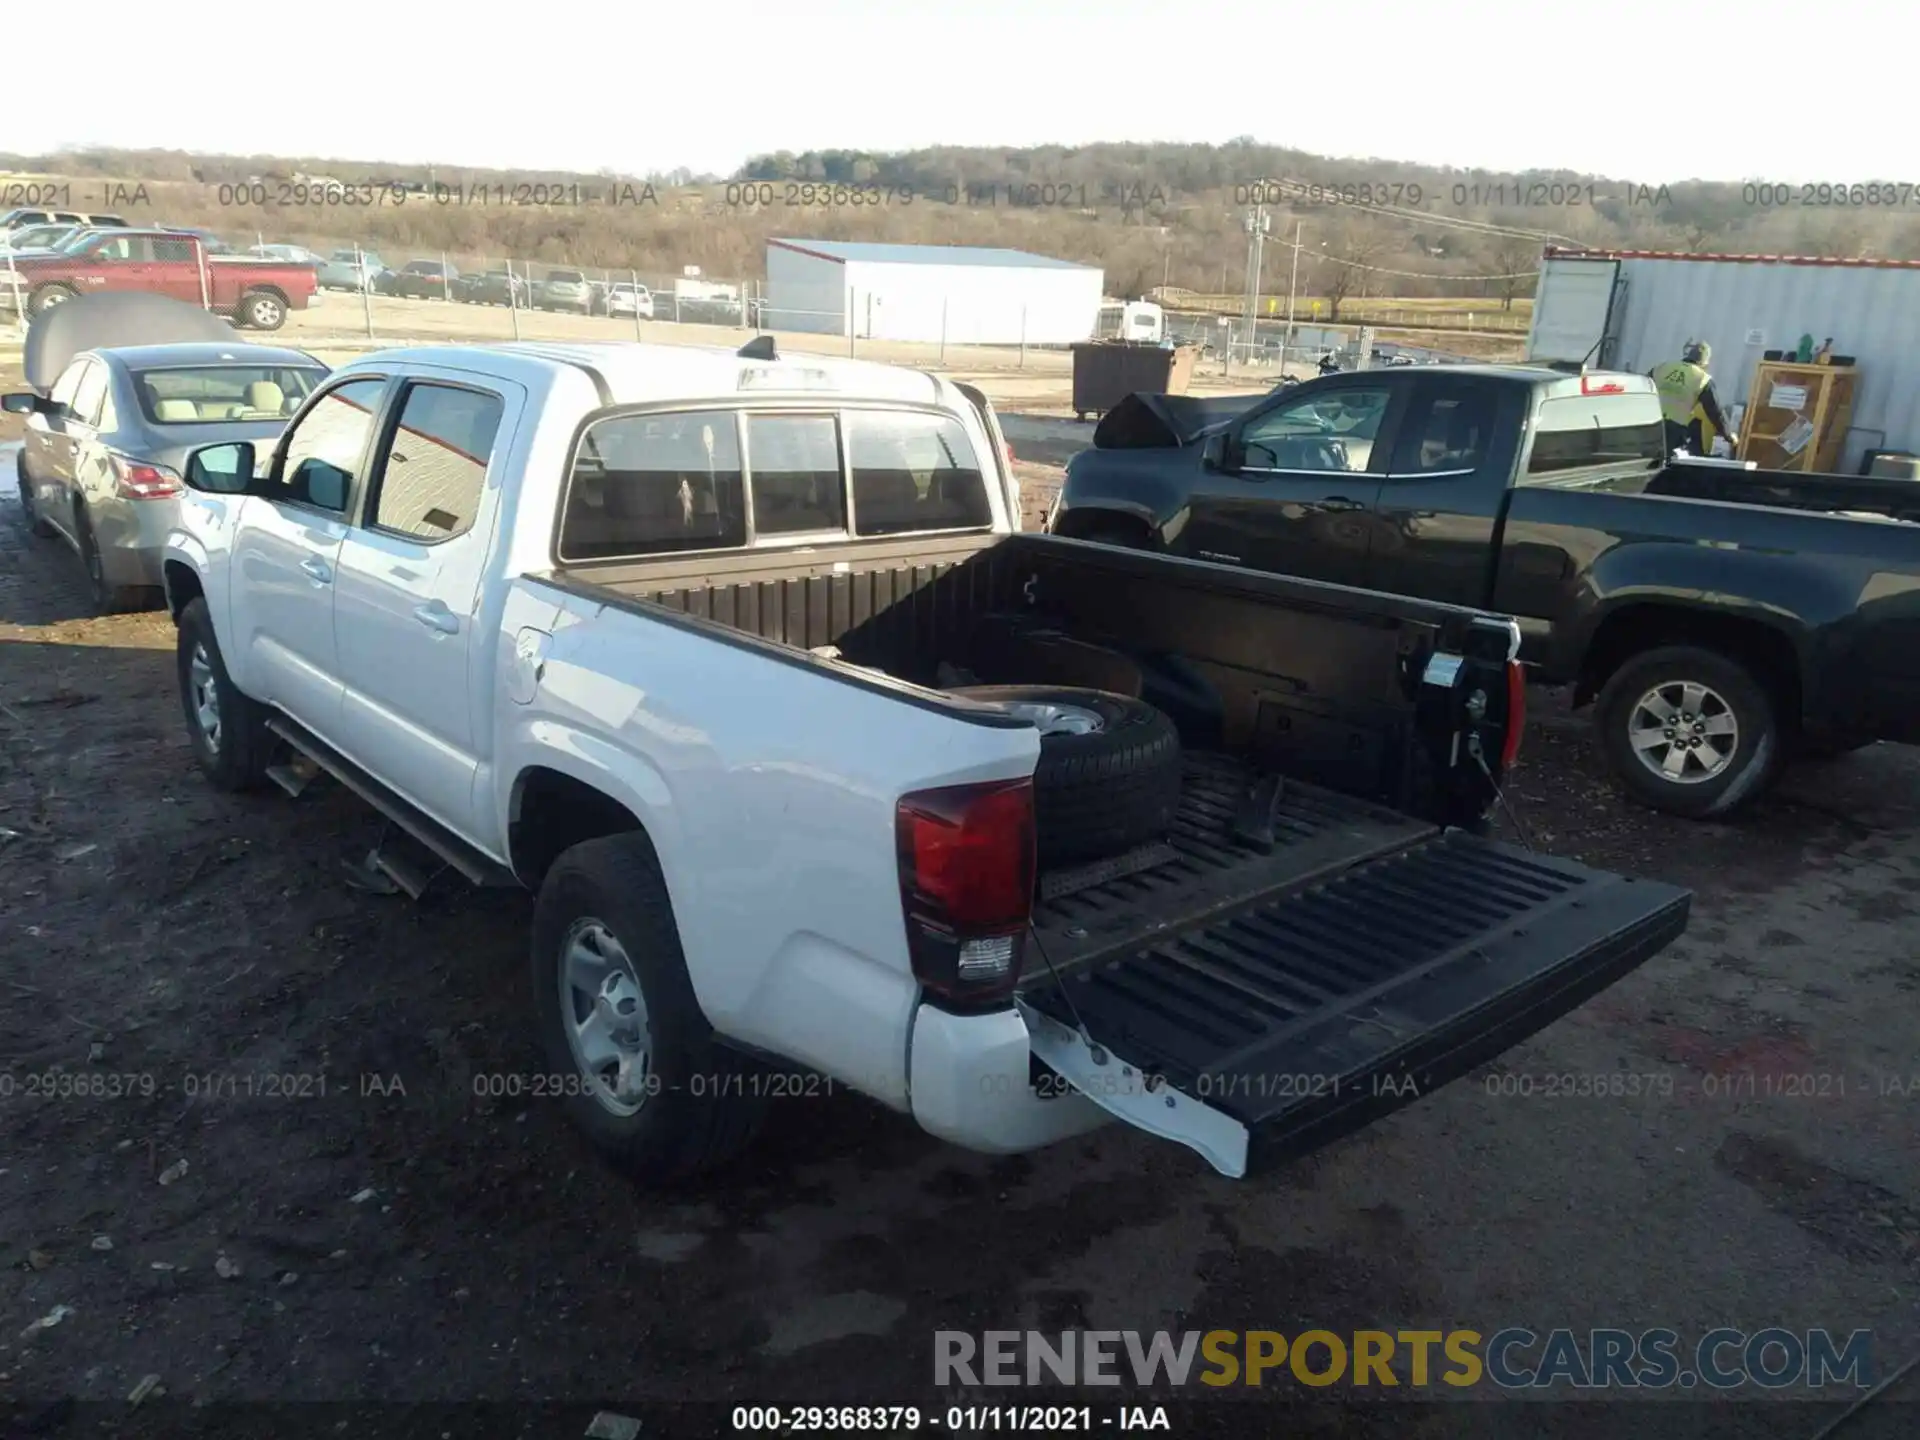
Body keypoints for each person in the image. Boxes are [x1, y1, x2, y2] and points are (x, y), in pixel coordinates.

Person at [1651, 341, 1733, 456]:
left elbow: (1641, 388)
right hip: (1674, 429)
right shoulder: (1702, 379)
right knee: (1666, 464)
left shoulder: (1662, 367)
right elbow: (1715, 412)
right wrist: (1728, 435)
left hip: (1649, 424)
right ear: (1705, 364)